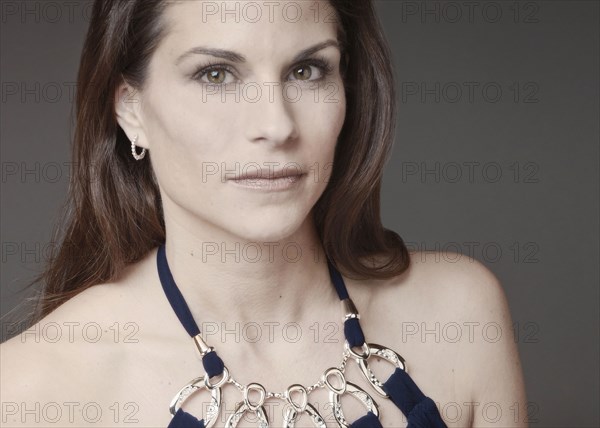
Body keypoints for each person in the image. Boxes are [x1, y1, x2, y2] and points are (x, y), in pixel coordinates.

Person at [1, 1, 527, 427]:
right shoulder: (32, 390)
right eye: (216, 74)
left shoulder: (460, 317)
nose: (276, 124)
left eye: (306, 70)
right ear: (130, 109)